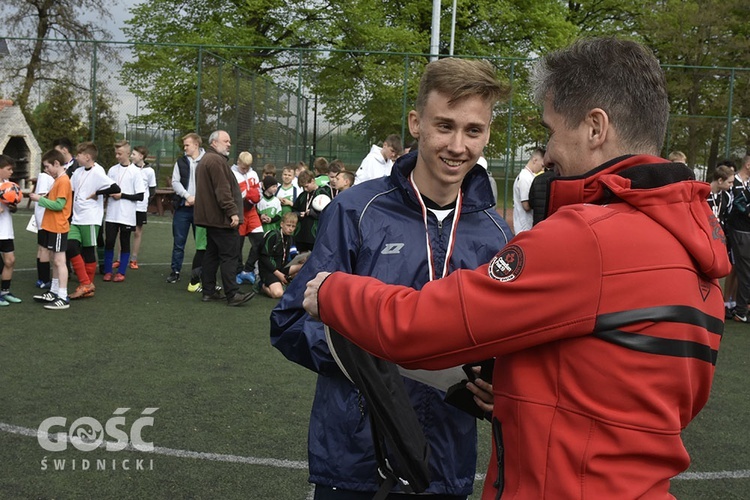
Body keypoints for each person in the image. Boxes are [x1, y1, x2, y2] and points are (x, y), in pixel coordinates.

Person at [301, 38, 731, 499]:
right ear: (416, 124)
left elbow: (424, 325)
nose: (546, 152)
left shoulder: (587, 239)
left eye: (550, 128)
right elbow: (609, 380)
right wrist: (504, 382)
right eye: (444, 125)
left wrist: (331, 293)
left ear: (594, 128)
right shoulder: (697, 249)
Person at [272, 57, 513, 499]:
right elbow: (290, 323)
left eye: (473, 130)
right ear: (416, 123)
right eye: (444, 126)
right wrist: (382, 355)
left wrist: (501, 386)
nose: (458, 145)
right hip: (356, 459)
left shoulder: (497, 234)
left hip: (445, 463)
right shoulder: (356, 211)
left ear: (488, 134)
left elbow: (507, 344)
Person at [193, 130, 254, 307]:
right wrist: (232, 212)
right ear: (214, 143)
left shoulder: (207, 160)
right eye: (226, 141)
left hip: (211, 218)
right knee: (230, 255)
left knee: (212, 255)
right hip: (221, 219)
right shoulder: (216, 161)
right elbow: (223, 191)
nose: (229, 144)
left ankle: (209, 291)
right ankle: (232, 294)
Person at [64, 142, 120, 300]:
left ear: (87, 156)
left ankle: (86, 285)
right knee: (70, 246)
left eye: (79, 154)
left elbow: (116, 188)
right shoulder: (78, 172)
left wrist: (98, 192)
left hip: (90, 218)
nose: (76, 157)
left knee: (88, 251)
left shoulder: (98, 172)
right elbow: (71, 190)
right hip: (76, 217)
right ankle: (86, 283)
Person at [29, 149, 73, 310]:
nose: (46, 171)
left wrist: (40, 199)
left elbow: (59, 205)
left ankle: (62, 296)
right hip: (51, 226)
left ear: (56, 164)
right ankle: (54, 291)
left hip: (58, 227)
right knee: (55, 260)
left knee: (60, 261)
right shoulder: (58, 180)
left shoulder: (63, 181)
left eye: (48, 167)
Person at [102, 141, 144, 282]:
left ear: (127, 153)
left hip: (127, 215)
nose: (117, 156)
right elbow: (107, 188)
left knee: (125, 242)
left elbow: (140, 196)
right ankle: (108, 271)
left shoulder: (136, 172)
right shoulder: (112, 170)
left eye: (120, 153)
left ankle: (121, 273)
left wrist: (122, 195)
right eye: (116, 153)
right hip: (112, 214)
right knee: (109, 242)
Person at [167, 132, 205, 284]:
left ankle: (200, 274)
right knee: (178, 241)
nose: (185, 148)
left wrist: (198, 199)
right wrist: (187, 196)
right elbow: (175, 182)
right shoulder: (180, 162)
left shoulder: (207, 161)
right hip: (183, 208)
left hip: (201, 209)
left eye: (187, 145)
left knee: (202, 243)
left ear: (196, 145)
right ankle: (175, 271)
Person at [232, 151, 262, 285]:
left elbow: (258, 191)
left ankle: (247, 270)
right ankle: (238, 272)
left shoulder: (253, 174)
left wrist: (255, 197)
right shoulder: (231, 174)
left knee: (260, 241)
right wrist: (245, 196)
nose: (245, 170)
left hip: (252, 212)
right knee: (237, 246)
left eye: (248, 167)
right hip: (239, 212)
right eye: (243, 167)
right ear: (238, 162)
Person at [259, 211, 302, 299]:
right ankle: (261, 285)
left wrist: (302, 259)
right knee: (278, 294)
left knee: (303, 266)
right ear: (282, 224)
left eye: (293, 226)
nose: (290, 229)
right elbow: (263, 258)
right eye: (288, 225)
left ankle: (286, 282)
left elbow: (293, 253)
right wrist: (279, 275)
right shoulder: (273, 235)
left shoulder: (290, 238)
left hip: (282, 267)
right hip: (269, 270)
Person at [727, 154, 750, 323]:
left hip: (743, 231)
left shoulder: (747, 183)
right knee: (735, 268)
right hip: (735, 231)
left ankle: (737, 304)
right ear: (748, 165)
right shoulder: (732, 181)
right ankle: (729, 303)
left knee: (738, 268)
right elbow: (737, 205)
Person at [129, 145, 157, 269]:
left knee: (137, 232)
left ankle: (133, 259)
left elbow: (152, 190)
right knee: (122, 232)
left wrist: (144, 200)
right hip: (127, 205)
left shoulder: (150, 171)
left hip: (140, 206)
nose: (131, 156)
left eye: (133, 154)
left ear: (141, 156)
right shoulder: (129, 168)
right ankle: (119, 258)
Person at [0, 155, 22, 306]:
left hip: (6, 230)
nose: (11, 172)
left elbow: (12, 207)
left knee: (10, 261)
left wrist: (13, 207)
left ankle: (5, 292)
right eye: (8, 169)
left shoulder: (10, 185)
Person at [32, 159, 55, 289]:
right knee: (44, 249)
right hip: (45, 218)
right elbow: (41, 197)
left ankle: (41, 279)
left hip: (42, 218)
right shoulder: (45, 177)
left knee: (42, 248)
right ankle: (44, 279)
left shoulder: (44, 177)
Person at [511, 147, 545, 233]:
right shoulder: (525, 178)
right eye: (542, 165)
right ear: (535, 160)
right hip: (524, 228)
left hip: (526, 226)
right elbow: (526, 206)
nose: (542, 169)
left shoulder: (529, 176)